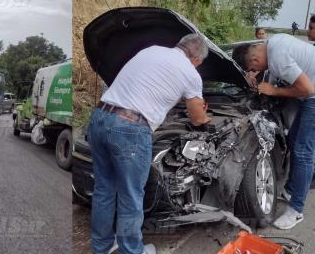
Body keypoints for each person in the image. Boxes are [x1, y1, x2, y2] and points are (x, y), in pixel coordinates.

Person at [88, 34, 211, 254]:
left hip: (100, 117)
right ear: (196, 59)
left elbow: (150, 83)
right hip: (129, 128)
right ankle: (132, 250)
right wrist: (204, 115)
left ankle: (101, 247)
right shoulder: (191, 73)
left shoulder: (151, 50)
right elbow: (197, 119)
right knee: (130, 196)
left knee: (104, 190)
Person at [232, 33, 315, 230]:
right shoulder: (273, 43)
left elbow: (308, 89)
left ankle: (296, 210)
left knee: (303, 151)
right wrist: (255, 78)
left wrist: (273, 91)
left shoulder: (278, 57)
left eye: (253, 68)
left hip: (313, 94)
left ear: (255, 59)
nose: (255, 71)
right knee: (295, 142)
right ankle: (293, 189)